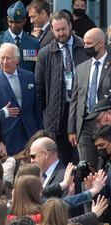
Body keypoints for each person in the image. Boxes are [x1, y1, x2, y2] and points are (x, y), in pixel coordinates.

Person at [35, 11, 89, 165]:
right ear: (52, 30)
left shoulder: (84, 47)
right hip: (57, 114)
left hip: (81, 111)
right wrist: (46, 115)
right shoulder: (45, 53)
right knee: (61, 161)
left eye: (64, 29)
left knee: (83, 160)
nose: (61, 33)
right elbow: (40, 89)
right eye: (57, 30)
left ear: (70, 26)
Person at [68, 28, 111, 169]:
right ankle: (89, 192)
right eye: (84, 43)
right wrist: (72, 129)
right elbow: (75, 100)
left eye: (89, 44)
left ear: (100, 44)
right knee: (87, 168)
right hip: (84, 124)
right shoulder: (81, 68)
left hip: (105, 125)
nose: (85, 47)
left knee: (105, 168)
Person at [0, 43, 41, 155]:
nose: (4, 62)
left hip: (30, 133)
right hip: (8, 136)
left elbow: (36, 108)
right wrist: (3, 113)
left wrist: (40, 132)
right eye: (2, 58)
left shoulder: (29, 76)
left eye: (8, 58)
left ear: (17, 60)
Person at [0, 1, 40, 74]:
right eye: (11, 21)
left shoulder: (33, 42)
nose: (14, 25)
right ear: (7, 19)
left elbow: (36, 69)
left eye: (18, 22)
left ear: (24, 21)